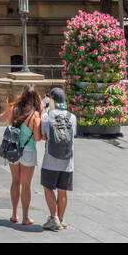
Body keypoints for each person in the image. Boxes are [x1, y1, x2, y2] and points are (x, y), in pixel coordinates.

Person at [0, 84, 43, 225]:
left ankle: (14, 214)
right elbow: (37, 138)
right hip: (28, 151)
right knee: (26, 186)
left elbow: (1, 119)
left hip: (13, 150)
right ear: (35, 97)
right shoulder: (35, 115)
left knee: (15, 182)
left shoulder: (13, 108)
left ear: (22, 95)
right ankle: (25, 217)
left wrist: (14, 102)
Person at [39, 86, 77, 231]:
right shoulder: (72, 117)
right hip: (68, 162)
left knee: (48, 188)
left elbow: (43, 135)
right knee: (62, 191)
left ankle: (53, 217)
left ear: (52, 100)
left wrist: (44, 110)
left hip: (50, 160)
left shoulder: (47, 117)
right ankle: (61, 219)